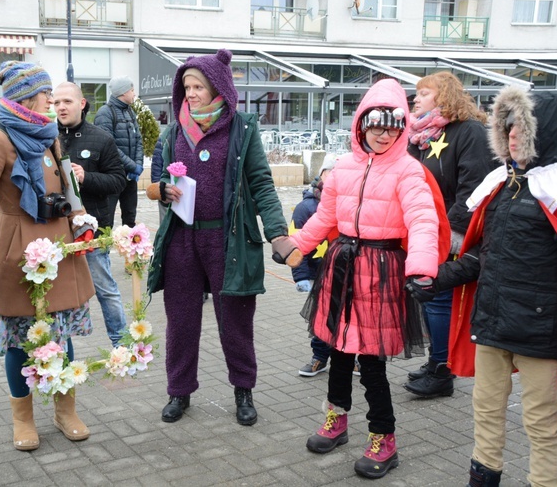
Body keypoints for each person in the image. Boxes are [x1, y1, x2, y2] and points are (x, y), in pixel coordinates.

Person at [284, 78, 441, 479]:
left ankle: (383, 440)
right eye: (375, 125)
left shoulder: (409, 170)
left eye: (391, 126)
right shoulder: (343, 168)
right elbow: (325, 217)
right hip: (341, 267)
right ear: (361, 125)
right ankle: (336, 420)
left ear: (401, 127)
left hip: (380, 271)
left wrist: (422, 267)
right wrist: (296, 244)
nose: (383, 133)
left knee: (370, 363)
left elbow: (423, 221)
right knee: (337, 352)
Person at [146, 49, 289, 427]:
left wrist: (277, 233)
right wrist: (161, 190)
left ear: (218, 89)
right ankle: (179, 391)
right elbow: (156, 180)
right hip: (181, 240)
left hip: (227, 242)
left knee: (236, 320)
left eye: (198, 86)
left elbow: (261, 183)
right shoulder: (173, 131)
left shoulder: (242, 128)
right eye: (187, 86)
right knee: (180, 320)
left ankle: (244, 390)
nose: (190, 93)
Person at [435, 86, 557, 487]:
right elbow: (483, 255)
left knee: (541, 418)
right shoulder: (500, 186)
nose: (511, 134)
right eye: (506, 126)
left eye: (520, 126)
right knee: (486, 408)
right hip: (491, 320)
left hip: (541, 329)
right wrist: (440, 276)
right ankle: (483, 478)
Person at [0, 61, 96, 451]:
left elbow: (69, 189)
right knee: (19, 341)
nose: (51, 102)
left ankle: (65, 410)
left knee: (62, 335)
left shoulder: (49, 137)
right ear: (28, 96)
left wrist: (81, 221)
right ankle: (22, 419)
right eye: (47, 95)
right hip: (19, 251)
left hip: (59, 250)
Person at [404, 71, 497, 398]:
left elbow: (475, 188)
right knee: (426, 298)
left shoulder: (468, 132)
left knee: (439, 297)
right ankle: (436, 362)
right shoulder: (420, 135)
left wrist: (449, 233)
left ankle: (442, 370)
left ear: (444, 97)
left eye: (424, 93)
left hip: (449, 231)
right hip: (423, 229)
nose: (416, 98)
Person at [53, 81, 128, 347]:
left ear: (81, 104)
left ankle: (122, 343)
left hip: (91, 231)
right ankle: (58, 347)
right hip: (55, 231)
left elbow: (119, 180)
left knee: (105, 289)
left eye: (67, 101)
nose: (61, 107)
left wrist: (86, 177)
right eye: (56, 102)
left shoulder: (101, 138)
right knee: (59, 293)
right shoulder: (46, 138)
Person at [294, 155, 334, 378]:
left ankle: (353, 358)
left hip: (348, 273)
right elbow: (296, 242)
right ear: (322, 174)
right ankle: (320, 357)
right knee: (321, 318)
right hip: (319, 274)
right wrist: (301, 276)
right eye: (331, 172)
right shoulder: (305, 207)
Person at [94, 75, 144, 228]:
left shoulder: (130, 112)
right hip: (112, 176)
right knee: (106, 220)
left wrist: (138, 164)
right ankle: (103, 251)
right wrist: (132, 166)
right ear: (123, 93)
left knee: (130, 218)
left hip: (130, 178)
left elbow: (138, 140)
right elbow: (109, 147)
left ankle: (131, 249)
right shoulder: (105, 113)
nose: (134, 94)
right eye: (132, 90)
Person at [150, 128, 170, 224]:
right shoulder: (168, 132)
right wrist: (158, 188)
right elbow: (157, 163)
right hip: (165, 188)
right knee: (165, 224)